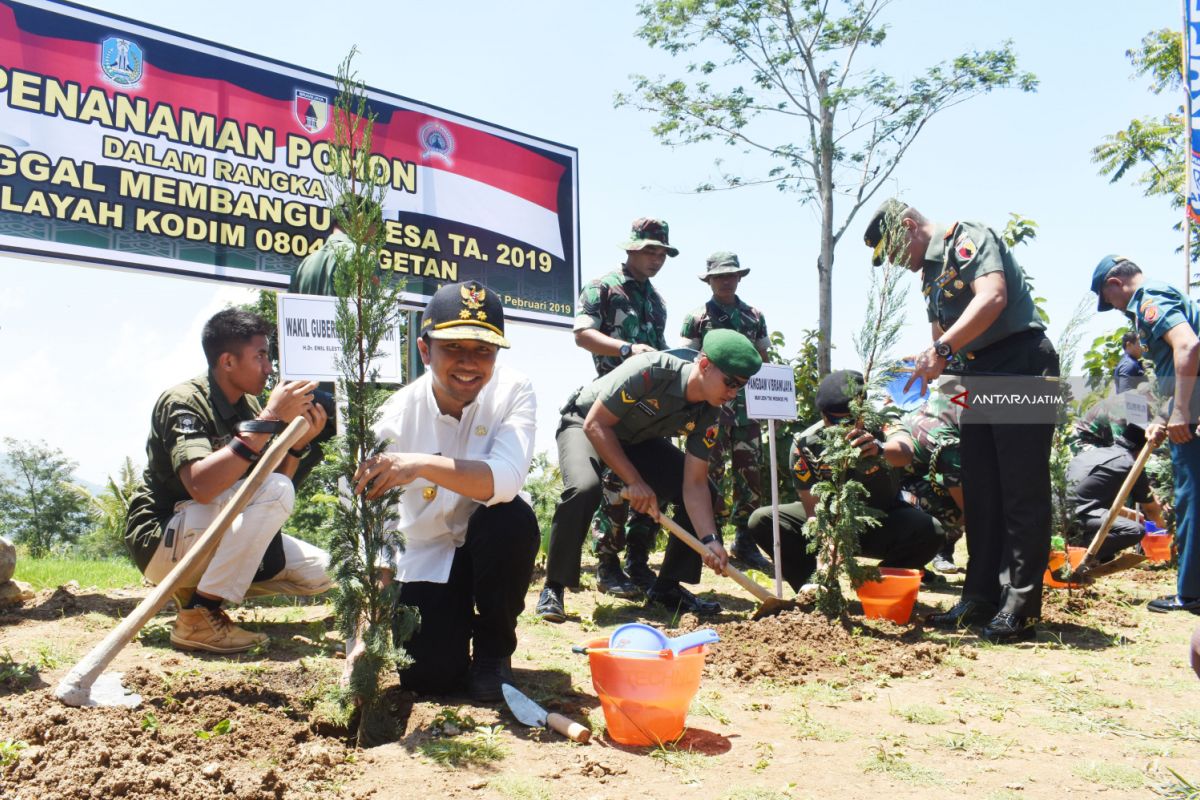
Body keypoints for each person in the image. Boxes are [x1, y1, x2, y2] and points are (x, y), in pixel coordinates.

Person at [865, 199, 1060, 643]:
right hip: (974, 375)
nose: (894, 262)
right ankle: (980, 597)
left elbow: (992, 297)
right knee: (982, 491)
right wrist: (930, 366)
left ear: (910, 226)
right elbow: (941, 342)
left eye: (894, 250)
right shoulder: (928, 277)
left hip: (1019, 364)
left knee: (1019, 491)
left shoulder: (966, 238)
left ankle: (1020, 606)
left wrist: (945, 351)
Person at [353, 281, 538, 702]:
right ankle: (455, 628)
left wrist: (417, 465)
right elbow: (375, 536)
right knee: (431, 677)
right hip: (429, 555)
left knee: (511, 518)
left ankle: (493, 651)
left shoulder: (514, 391)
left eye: (483, 350)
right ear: (424, 350)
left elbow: (505, 479)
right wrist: (365, 635)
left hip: (490, 544)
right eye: (453, 348)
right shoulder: (392, 419)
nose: (469, 364)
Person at [124, 309, 333, 654]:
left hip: (209, 529)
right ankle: (200, 616)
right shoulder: (183, 401)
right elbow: (201, 487)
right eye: (260, 356)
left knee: (322, 571)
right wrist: (269, 418)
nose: (269, 368)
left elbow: (270, 489)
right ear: (227, 361)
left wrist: (295, 446)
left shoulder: (250, 405)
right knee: (275, 492)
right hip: (165, 535)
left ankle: (194, 592)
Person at [535, 329, 763, 622]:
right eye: (729, 382)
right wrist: (635, 481)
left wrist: (709, 539)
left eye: (740, 387)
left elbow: (693, 483)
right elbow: (597, 425)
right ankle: (554, 587)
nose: (732, 393)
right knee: (584, 489)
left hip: (636, 441)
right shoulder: (651, 371)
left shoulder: (710, 412)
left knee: (708, 489)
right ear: (704, 365)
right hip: (586, 423)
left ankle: (667, 588)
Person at [745, 370, 943, 592]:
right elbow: (813, 514)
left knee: (930, 531)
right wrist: (824, 563)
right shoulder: (807, 444)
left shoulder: (883, 423)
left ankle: (879, 586)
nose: (840, 428)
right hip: (832, 520)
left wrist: (880, 449)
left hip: (883, 522)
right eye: (832, 420)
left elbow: (904, 451)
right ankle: (817, 590)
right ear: (823, 415)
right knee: (764, 520)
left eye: (848, 420)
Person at [573, 217, 676, 598]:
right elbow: (582, 335)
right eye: (650, 250)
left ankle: (638, 560)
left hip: (651, 407)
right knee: (616, 484)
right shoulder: (602, 287)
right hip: (612, 404)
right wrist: (625, 349)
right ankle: (608, 565)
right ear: (632, 248)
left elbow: (660, 350)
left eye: (662, 252)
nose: (657, 259)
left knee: (654, 484)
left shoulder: (657, 301)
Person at [1091, 254, 1200, 612]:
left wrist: (1182, 411)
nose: (1120, 311)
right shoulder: (1159, 295)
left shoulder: (1148, 297)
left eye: (1112, 302)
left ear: (1114, 284)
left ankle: (1192, 594)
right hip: (1187, 408)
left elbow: (1188, 346)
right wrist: (1167, 414)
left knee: (1191, 501)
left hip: (1194, 416)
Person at [680, 251, 773, 574]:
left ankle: (746, 543)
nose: (726, 280)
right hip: (710, 410)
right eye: (719, 276)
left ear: (739, 277)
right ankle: (711, 540)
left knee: (751, 476)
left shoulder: (754, 316)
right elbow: (685, 360)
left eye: (731, 275)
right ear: (709, 280)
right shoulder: (697, 318)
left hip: (748, 410)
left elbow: (763, 357)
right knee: (708, 474)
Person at [1065, 423, 1166, 562]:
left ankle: (1092, 552)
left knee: (1116, 534)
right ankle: (1079, 552)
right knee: (1135, 530)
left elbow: (1088, 497)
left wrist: (1129, 513)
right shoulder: (1132, 464)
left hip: (1060, 513)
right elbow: (1151, 510)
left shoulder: (1094, 453)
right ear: (1141, 451)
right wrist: (1168, 531)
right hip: (1080, 517)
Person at [897, 384, 965, 575]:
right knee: (960, 508)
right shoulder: (946, 439)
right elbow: (971, 507)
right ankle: (908, 560)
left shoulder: (944, 404)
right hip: (892, 494)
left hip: (909, 481)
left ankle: (934, 552)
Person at [1114, 330, 1148, 394]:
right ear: (1129, 344)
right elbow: (1125, 395)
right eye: (1138, 343)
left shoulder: (1131, 362)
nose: (1141, 347)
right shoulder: (1128, 365)